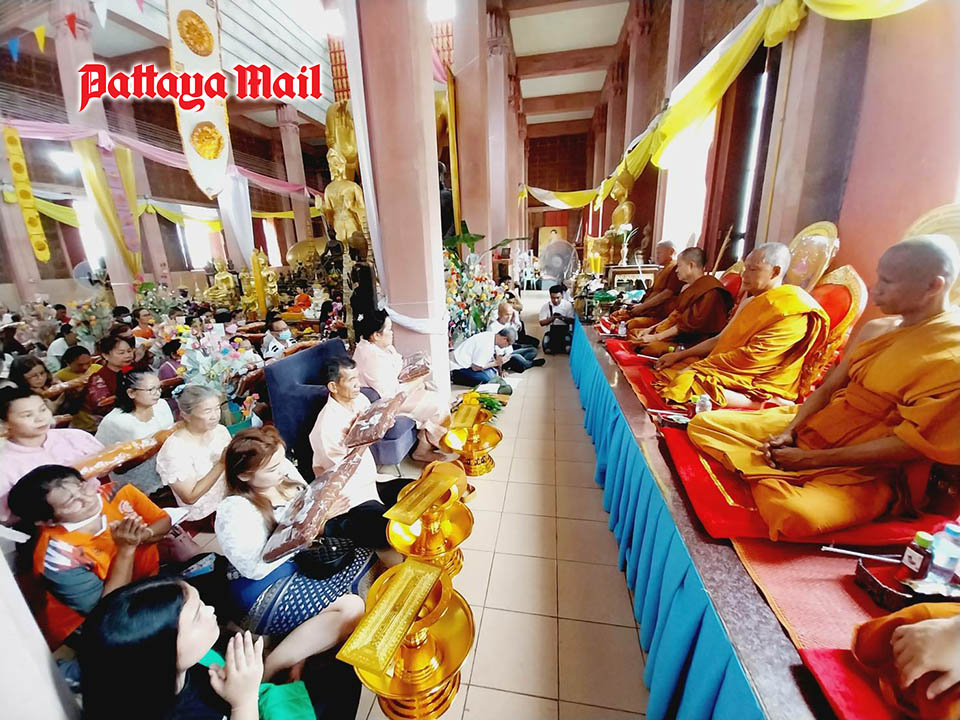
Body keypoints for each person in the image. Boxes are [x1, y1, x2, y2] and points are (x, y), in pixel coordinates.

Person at [688, 235, 960, 540]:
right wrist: (790, 430)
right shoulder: (876, 329)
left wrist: (812, 460)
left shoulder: (952, 353)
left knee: (793, 515)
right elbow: (830, 387)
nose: (875, 289)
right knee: (704, 425)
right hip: (820, 425)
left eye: (887, 282)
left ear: (933, 286)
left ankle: (773, 472)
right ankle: (777, 471)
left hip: (869, 467)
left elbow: (909, 445)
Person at [80, 577, 363, 720]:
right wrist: (243, 702)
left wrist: (258, 681)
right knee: (344, 681)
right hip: (247, 706)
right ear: (162, 653)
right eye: (196, 616)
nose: (210, 610)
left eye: (201, 603)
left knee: (344, 646)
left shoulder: (192, 662)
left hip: (253, 695)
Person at [216, 427, 372, 643]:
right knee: (350, 606)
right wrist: (315, 526)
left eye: (282, 460)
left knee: (368, 558)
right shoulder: (234, 511)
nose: (281, 469)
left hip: (301, 559)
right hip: (265, 585)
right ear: (244, 476)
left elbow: (308, 508)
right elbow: (254, 568)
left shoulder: (283, 472)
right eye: (272, 469)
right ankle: (279, 653)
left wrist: (321, 512)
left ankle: (306, 635)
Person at [8, 464, 170, 648]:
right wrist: (126, 549)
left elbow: (163, 522)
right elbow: (107, 609)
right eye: (71, 502)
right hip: (98, 625)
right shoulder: (58, 558)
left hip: (144, 583)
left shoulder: (116, 492)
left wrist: (142, 536)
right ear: (47, 521)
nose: (87, 498)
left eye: (82, 486)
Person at [655, 242, 829, 407]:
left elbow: (753, 358)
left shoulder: (791, 308)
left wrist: (700, 367)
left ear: (775, 272)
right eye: (745, 268)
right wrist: (681, 356)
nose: (744, 275)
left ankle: (764, 403)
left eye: (753, 269)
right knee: (675, 371)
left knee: (688, 383)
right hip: (732, 370)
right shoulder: (750, 302)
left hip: (760, 380)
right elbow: (720, 340)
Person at [309, 357, 413, 547]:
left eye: (357, 377)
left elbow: (373, 426)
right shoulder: (325, 428)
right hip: (350, 494)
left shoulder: (360, 400)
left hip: (371, 480)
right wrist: (360, 440)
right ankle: (329, 528)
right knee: (390, 532)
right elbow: (339, 474)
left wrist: (383, 424)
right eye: (351, 380)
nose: (358, 385)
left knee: (418, 492)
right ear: (333, 386)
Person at [353, 311, 451, 462]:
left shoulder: (382, 347)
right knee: (438, 405)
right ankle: (422, 451)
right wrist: (418, 380)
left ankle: (428, 442)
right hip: (387, 403)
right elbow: (390, 394)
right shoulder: (370, 357)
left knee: (436, 390)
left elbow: (399, 364)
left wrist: (417, 368)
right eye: (389, 329)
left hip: (398, 391)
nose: (392, 333)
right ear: (376, 335)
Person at [0, 387, 103, 524]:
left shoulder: (76, 436)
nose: (40, 418)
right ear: (5, 423)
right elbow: (7, 518)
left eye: (43, 409)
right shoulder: (4, 464)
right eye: (28, 415)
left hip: (101, 505)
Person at [629, 246, 734, 356]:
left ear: (691, 265)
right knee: (635, 334)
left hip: (692, 343)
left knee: (645, 348)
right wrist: (651, 329)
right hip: (675, 335)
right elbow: (676, 316)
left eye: (679, 266)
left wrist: (656, 337)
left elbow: (688, 326)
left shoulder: (710, 291)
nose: (677, 270)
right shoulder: (688, 287)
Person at [155, 384, 230, 523]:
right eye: (207, 411)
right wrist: (221, 464)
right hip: (204, 515)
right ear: (186, 416)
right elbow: (190, 497)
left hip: (229, 499)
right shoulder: (175, 450)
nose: (215, 416)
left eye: (217, 408)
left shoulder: (220, 430)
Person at [95, 370, 175, 496]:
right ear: (131, 393)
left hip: (167, 471)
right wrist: (150, 449)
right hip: (135, 481)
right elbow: (106, 460)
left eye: (159, 388)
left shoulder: (162, 405)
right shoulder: (115, 421)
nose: (157, 393)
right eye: (151, 390)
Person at [610, 241, 684, 330]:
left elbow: (666, 295)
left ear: (671, 252)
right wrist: (640, 305)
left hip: (660, 316)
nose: (656, 256)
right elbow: (652, 292)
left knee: (631, 324)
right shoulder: (664, 269)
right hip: (648, 310)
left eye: (659, 253)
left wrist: (642, 307)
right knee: (616, 316)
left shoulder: (675, 269)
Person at [73, 333, 135, 432]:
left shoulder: (131, 370)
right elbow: (102, 408)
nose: (128, 355)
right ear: (106, 355)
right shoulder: (98, 378)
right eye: (121, 353)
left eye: (129, 351)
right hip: (106, 427)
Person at [449, 327, 516, 386]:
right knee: (486, 378)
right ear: (504, 339)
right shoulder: (487, 343)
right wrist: (496, 363)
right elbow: (476, 367)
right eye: (508, 344)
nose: (507, 347)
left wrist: (499, 370)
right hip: (459, 367)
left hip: (470, 365)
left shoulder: (491, 337)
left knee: (493, 373)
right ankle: (456, 377)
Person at [488, 303, 544, 373]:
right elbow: (493, 349)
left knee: (533, 351)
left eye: (511, 314)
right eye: (506, 315)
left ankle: (520, 364)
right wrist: (500, 368)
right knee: (517, 357)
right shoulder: (493, 327)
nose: (509, 317)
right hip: (502, 357)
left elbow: (515, 338)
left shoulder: (509, 324)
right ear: (499, 314)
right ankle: (530, 363)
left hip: (510, 352)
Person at [539, 284, 575, 354]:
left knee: (568, 348)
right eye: (553, 298)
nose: (555, 300)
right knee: (547, 349)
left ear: (562, 296)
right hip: (551, 332)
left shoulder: (568, 305)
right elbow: (541, 323)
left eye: (558, 298)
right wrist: (552, 318)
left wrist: (562, 318)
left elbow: (572, 321)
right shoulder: (546, 307)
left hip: (565, 331)